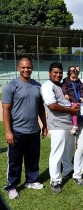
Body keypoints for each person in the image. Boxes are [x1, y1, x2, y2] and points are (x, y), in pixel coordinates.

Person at [2, 57, 47, 199]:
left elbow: (40, 108)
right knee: (14, 161)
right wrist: (8, 131)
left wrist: (44, 125)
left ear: (32, 68)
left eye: (28, 67)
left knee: (33, 159)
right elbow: (6, 110)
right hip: (17, 131)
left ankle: (32, 180)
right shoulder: (11, 86)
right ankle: (12, 186)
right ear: (18, 68)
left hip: (34, 131)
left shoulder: (37, 86)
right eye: (23, 67)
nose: (26, 69)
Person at [40, 62, 79, 193]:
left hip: (68, 123)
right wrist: (70, 109)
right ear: (49, 73)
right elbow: (52, 105)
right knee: (56, 153)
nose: (58, 74)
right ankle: (55, 180)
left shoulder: (63, 85)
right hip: (57, 124)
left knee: (69, 150)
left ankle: (68, 169)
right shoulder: (47, 86)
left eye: (60, 72)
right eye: (55, 72)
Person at [62, 68, 83, 134]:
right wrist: (65, 94)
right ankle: (75, 126)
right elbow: (64, 87)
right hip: (70, 100)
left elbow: (82, 89)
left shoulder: (79, 81)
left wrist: (81, 96)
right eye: (73, 77)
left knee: (75, 113)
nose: (75, 79)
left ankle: (75, 126)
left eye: (76, 77)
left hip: (77, 100)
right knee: (73, 113)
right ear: (69, 75)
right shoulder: (66, 81)